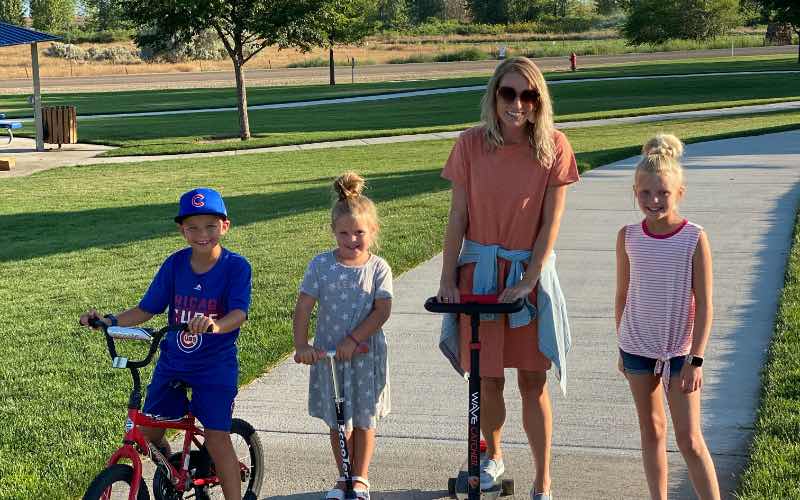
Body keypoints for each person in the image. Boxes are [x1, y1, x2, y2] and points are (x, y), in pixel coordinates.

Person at [437, 56, 579, 500]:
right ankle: (492, 458)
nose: (518, 103)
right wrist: (447, 278)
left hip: (527, 275)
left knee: (532, 381)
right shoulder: (470, 145)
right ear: (495, 95)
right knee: (487, 378)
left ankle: (543, 480)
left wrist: (529, 279)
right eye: (509, 93)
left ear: (539, 101)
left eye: (528, 95)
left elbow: (550, 225)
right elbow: (457, 216)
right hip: (479, 276)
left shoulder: (555, 147)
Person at [80, 187, 252, 500]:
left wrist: (216, 325)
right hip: (174, 362)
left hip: (214, 367)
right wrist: (109, 321)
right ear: (181, 230)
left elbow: (239, 312)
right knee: (149, 433)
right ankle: (174, 470)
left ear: (225, 226)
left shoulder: (236, 267)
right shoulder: (174, 265)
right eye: (193, 227)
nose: (202, 234)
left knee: (216, 438)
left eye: (211, 226)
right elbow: (147, 308)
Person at [615, 134, 721, 500]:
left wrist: (696, 359)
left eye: (662, 193)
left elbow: (705, 305)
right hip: (636, 348)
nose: (653, 201)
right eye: (645, 193)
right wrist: (621, 347)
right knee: (652, 431)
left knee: (690, 439)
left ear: (680, 193)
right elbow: (623, 296)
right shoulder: (628, 236)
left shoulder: (694, 238)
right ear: (634, 192)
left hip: (680, 353)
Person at [293, 172, 393, 500]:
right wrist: (301, 345)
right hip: (329, 357)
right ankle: (343, 476)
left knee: (363, 417)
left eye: (359, 233)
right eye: (344, 233)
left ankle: (361, 477)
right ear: (333, 232)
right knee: (337, 422)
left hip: (365, 353)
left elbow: (381, 311)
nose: (352, 240)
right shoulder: (320, 265)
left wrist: (353, 339)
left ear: (372, 231)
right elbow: (304, 306)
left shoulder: (378, 268)